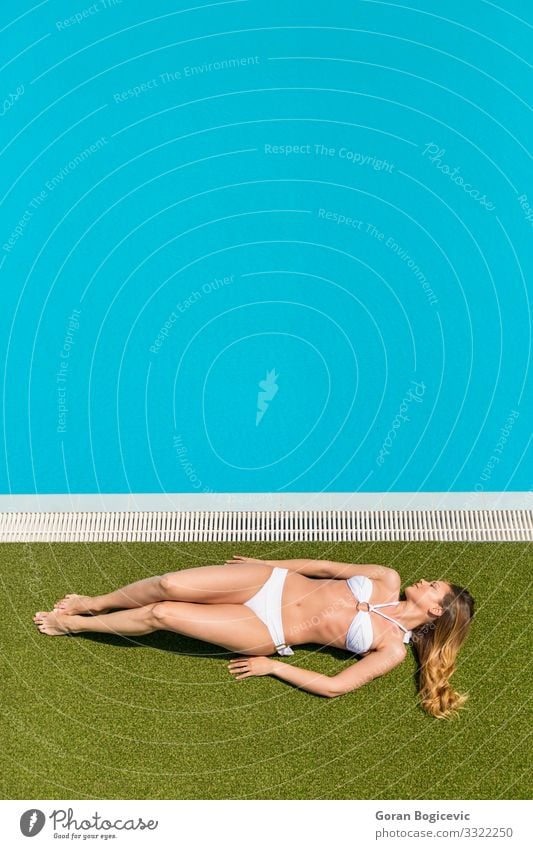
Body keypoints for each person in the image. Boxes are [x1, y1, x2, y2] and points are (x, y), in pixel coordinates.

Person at [33, 555, 474, 718]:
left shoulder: (391, 649)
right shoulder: (384, 577)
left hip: (268, 631)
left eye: (436, 586)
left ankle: (76, 624)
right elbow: (320, 568)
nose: (429, 580)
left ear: (437, 610)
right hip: (270, 583)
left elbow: (336, 686)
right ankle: (97, 602)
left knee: (163, 613)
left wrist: (274, 665)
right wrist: (268, 562)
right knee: (168, 585)